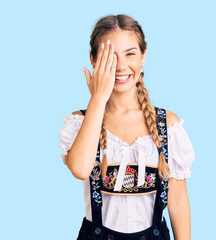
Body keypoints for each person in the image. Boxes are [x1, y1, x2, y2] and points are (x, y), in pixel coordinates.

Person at [58, 14, 195, 240]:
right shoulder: (80, 122)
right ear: (93, 60)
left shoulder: (167, 125)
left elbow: (178, 200)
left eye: (130, 53)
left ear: (143, 57)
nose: (121, 66)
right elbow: (80, 169)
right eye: (109, 56)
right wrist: (98, 99)